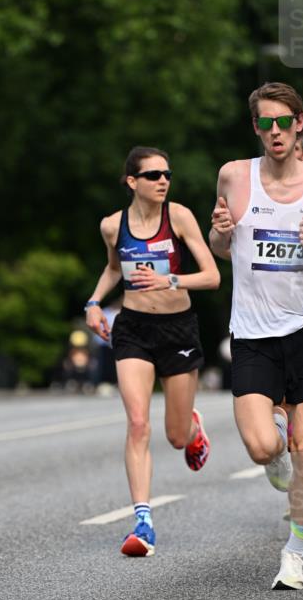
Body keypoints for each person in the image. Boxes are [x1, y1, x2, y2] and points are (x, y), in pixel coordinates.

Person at [210, 82, 303, 589]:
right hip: (252, 333)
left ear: (300, 124)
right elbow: (218, 247)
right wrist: (219, 231)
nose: (274, 131)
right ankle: (272, 448)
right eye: (265, 123)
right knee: (261, 447)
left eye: (284, 121)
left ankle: (294, 554)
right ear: (256, 127)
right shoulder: (234, 176)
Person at [85, 146, 220, 556]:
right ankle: (142, 521)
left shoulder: (177, 217)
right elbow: (114, 267)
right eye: (153, 175)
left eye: (167, 174)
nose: (163, 180)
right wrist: (93, 303)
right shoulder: (113, 226)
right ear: (132, 182)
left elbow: (212, 276)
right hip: (133, 331)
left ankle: (193, 428)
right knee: (138, 423)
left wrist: (172, 282)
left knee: (176, 437)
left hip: (177, 330)